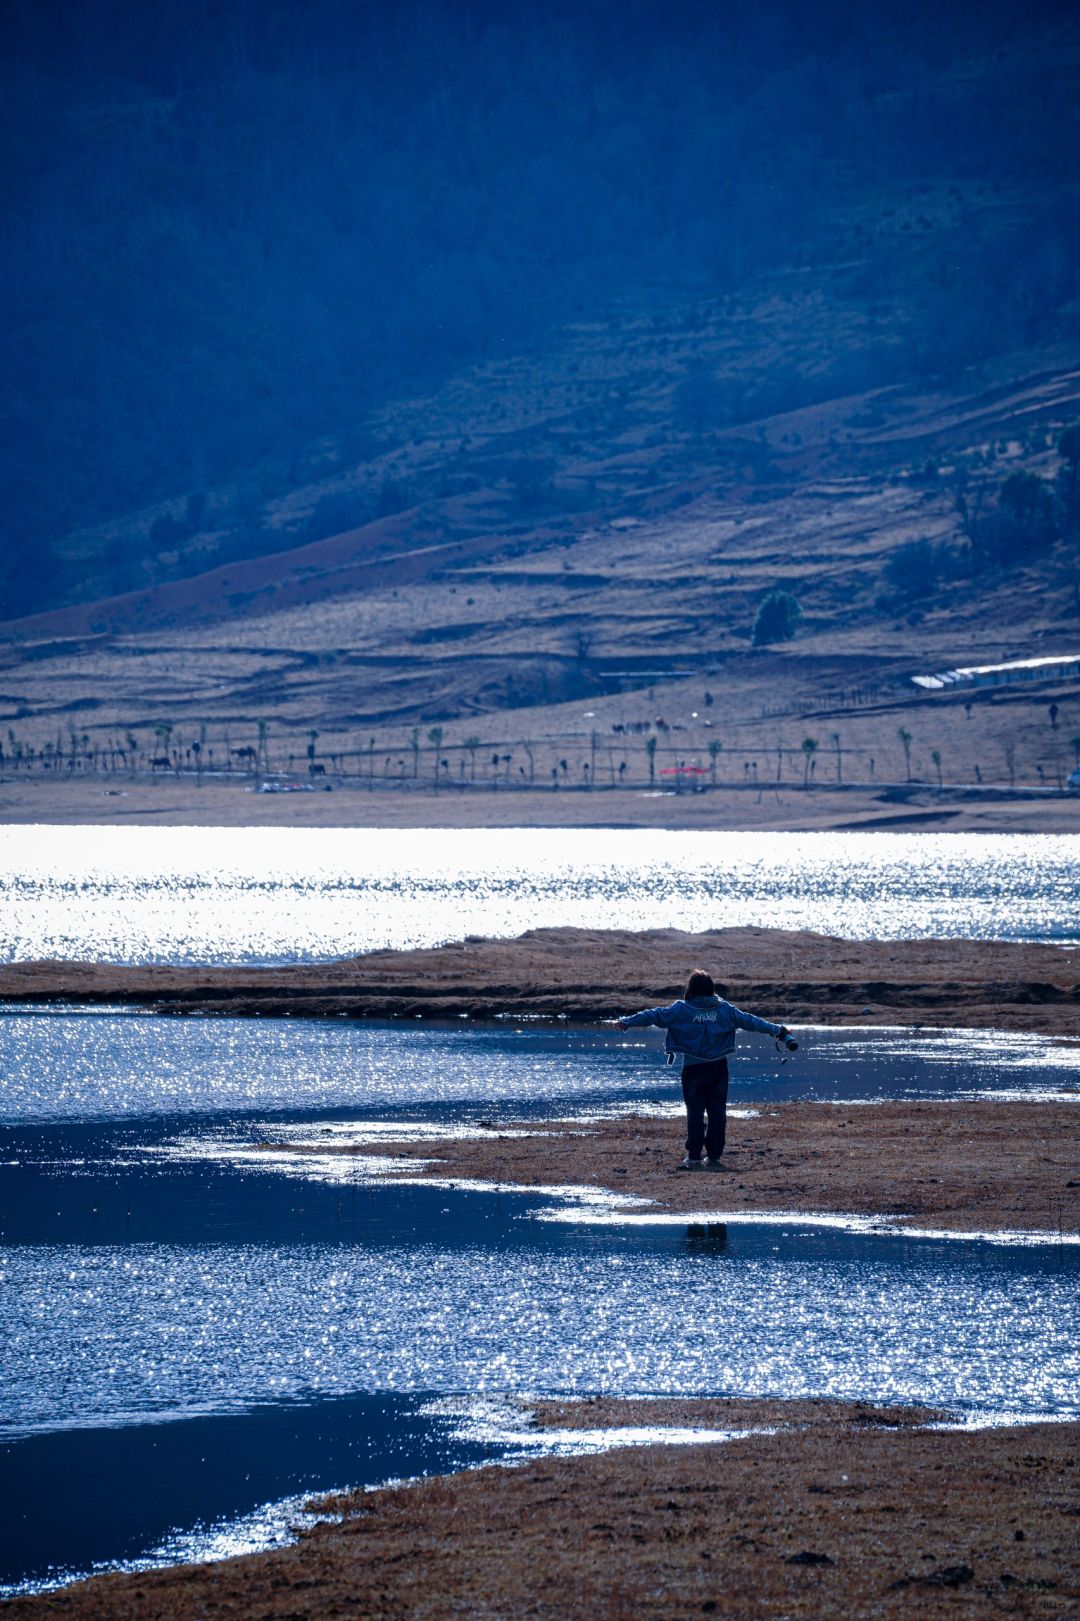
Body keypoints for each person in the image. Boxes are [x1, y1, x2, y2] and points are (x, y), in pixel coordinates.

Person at [617, 969, 795, 1170]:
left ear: (691, 989)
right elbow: (751, 1021)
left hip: (693, 1069)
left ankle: (693, 1157)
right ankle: (714, 1157)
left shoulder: (680, 1010)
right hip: (719, 1068)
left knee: (695, 1112)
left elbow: (654, 1015)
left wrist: (627, 1022)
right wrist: (778, 1031)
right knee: (717, 1112)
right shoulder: (725, 1009)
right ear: (711, 989)